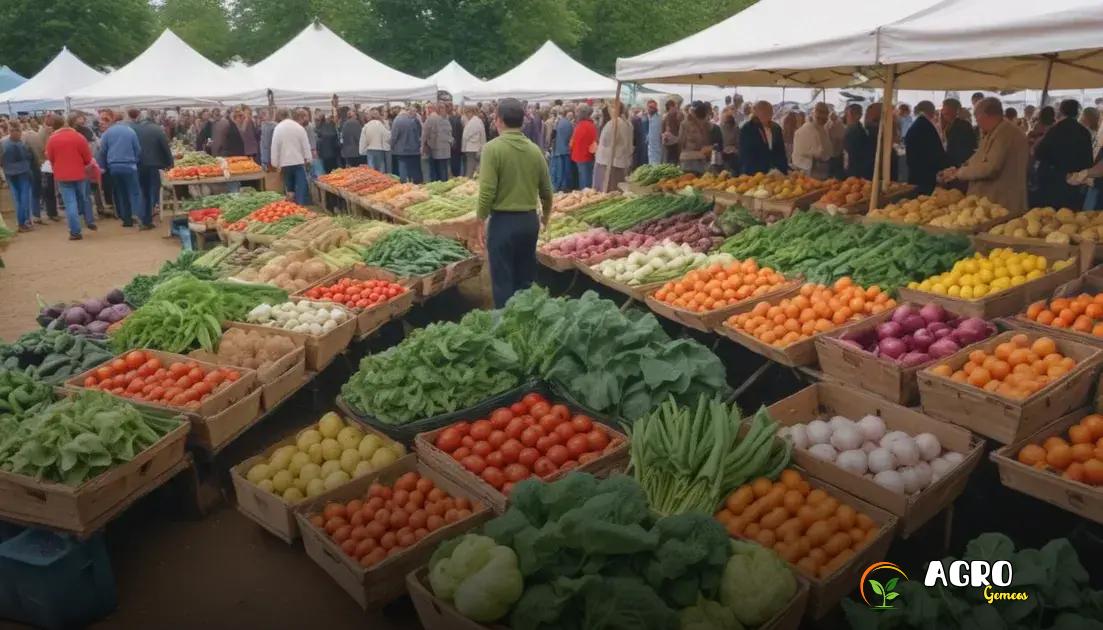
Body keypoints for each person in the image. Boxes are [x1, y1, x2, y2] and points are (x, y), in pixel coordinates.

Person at [476, 98, 553, 308]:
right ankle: (527, 327)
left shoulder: (492, 149)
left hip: (503, 223)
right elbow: (546, 191)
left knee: (503, 283)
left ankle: (506, 330)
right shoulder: (535, 150)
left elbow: (487, 191)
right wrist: (545, 217)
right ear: (523, 121)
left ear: (499, 120)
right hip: (529, 222)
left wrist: (479, 220)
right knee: (525, 281)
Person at [939, 97, 1029, 211]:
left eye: (977, 119)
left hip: (1002, 201)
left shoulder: (1005, 134)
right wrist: (958, 170)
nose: (978, 124)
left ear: (985, 116)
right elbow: (979, 156)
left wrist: (960, 173)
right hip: (995, 201)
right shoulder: (996, 130)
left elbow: (990, 168)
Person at [1034, 99, 1094, 209]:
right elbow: (1088, 161)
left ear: (1061, 111)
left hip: (1052, 180)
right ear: (1077, 112)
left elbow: (1039, 153)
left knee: (1049, 215)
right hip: (1074, 182)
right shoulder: (1084, 132)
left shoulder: (1054, 130)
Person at [46, 114, 96, 240]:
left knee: (70, 203)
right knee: (84, 198)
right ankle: (89, 220)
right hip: (79, 173)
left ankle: (75, 231)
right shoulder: (79, 137)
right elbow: (88, 158)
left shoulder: (52, 139)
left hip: (62, 175)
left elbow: (50, 157)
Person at [127, 109, 172, 230]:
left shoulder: (134, 129)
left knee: (142, 191)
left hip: (138, 164)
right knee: (153, 191)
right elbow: (165, 147)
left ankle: (142, 217)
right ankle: (148, 217)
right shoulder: (157, 129)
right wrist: (170, 163)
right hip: (154, 165)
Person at [97, 110, 143, 228]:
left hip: (114, 166)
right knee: (134, 192)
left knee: (121, 193)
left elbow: (102, 151)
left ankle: (126, 220)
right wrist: (135, 161)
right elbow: (137, 149)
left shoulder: (107, 133)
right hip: (130, 165)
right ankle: (136, 215)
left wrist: (102, 166)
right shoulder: (130, 131)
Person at [269, 108, 312, 205]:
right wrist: (308, 159)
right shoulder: (298, 127)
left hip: (285, 163)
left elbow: (275, 147)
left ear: (279, 117)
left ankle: (291, 207)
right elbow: (305, 145)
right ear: (289, 115)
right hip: (298, 162)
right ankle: (301, 205)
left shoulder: (278, 128)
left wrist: (274, 163)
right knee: (301, 185)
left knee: (289, 187)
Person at [904, 101, 947, 195]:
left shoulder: (918, 124)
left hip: (917, 171)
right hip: (924, 174)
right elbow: (934, 150)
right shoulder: (925, 125)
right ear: (931, 111)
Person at [1, 123, 35, 231]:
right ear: (19, 131)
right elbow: (29, 156)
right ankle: (24, 221)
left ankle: (20, 222)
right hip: (23, 171)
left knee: (16, 198)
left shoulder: (3, 143)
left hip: (9, 172)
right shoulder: (22, 144)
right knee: (24, 197)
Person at [594, 103, 634, 191]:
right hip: (619, 161)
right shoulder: (626, 123)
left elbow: (606, 142)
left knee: (610, 190)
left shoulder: (614, 123)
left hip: (610, 163)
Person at [740, 101, 788, 175]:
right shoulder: (747, 128)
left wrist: (782, 168)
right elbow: (746, 153)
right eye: (764, 112)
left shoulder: (776, 128)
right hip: (755, 173)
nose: (768, 115)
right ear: (756, 113)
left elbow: (781, 151)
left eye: (770, 112)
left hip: (776, 172)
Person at [791, 102, 832, 179]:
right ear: (815, 114)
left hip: (819, 169)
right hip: (808, 170)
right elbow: (816, 153)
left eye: (826, 115)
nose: (825, 119)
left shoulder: (821, 129)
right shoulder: (807, 130)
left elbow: (827, 149)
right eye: (822, 114)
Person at [676, 101, 712, 175]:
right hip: (697, 159)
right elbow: (707, 141)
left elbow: (680, 142)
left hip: (689, 159)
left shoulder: (685, 123)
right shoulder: (706, 124)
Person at [844, 103, 878, 179]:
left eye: (849, 114)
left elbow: (852, 152)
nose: (847, 117)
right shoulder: (856, 129)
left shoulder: (856, 131)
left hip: (855, 168)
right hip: (855, 166)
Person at [390, 106, 423, 184]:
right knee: (415, 169)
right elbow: (420, 133)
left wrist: (392, 145)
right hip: (415, 150)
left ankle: (405, 185)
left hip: (402, 150)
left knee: (403, 168)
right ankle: (417, 185)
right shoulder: (415, 120)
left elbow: (394, 136)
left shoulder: (397, 120)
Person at [942, 98, 977, 168]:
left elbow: (967, 147)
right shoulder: (948, 124)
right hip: (953, 163)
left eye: (945, 108)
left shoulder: (963, 125)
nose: (943, 111)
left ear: (954, 110)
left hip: (960, 164)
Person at [422, 103, 454, 182]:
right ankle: (445, 184)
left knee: (435, 170)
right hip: (445, 149)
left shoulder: (431, 119)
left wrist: (423, 145)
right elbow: (450, 134)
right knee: (444, 169)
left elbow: (425, 134)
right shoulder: (446, 120)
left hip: (435, 149)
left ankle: (438, 184)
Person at [570, 105, 597, 189]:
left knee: (584, 180)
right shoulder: (591, 125)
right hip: (587, 155)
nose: (576, 115)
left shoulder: (581, 125)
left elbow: (574, 141)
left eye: (577, 112)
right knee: (586, 178)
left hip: (582, 156)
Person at [552, 109, 574, 191]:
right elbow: (571, 137)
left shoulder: (558, 123)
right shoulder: (569, 124)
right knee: (566, 170)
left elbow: (554, 136)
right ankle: (566, 186)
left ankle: (559, 186)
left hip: (559, 149)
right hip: (567, 149)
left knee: (559, 170)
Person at [461, 106, 486, 178]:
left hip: (472, 147)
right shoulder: (477, 121)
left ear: (471, 112)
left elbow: (466, 135)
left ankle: (469, 180)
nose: (466, 115)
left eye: (467, 113)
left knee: (470, 167)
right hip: (475, 147)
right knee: (474, 166)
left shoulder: (474, 122)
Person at [719, 108, 740, 175]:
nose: (728, 124)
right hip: (721, 156)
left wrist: (734, 149)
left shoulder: (736, 128)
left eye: (729, 121)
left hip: (733, 157)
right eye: (726, 122)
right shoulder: (719, 128)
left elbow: (738, 143)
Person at [661, 99, 682, 164]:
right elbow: (663, 129)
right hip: (671, 142)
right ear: (670, 107)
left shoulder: (676, 115)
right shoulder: (667, 117)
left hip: (674, 141)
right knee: (671, 160)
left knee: (671, 159)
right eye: (674, 107)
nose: (675, 108)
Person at [644, 99, 662, 165]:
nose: (651, 109)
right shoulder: (649, 118)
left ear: (656, 108)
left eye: (653, 107)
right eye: (650, 107)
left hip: (657, 151)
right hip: (650, 150)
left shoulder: (659, 119)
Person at [449, 103, 464, 177]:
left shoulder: (450, 119)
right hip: (458, 143)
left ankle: (455, 175)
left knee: (454, 161)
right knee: (457, 161)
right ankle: (456, 175)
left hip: (453, 144)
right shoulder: (459, 119)